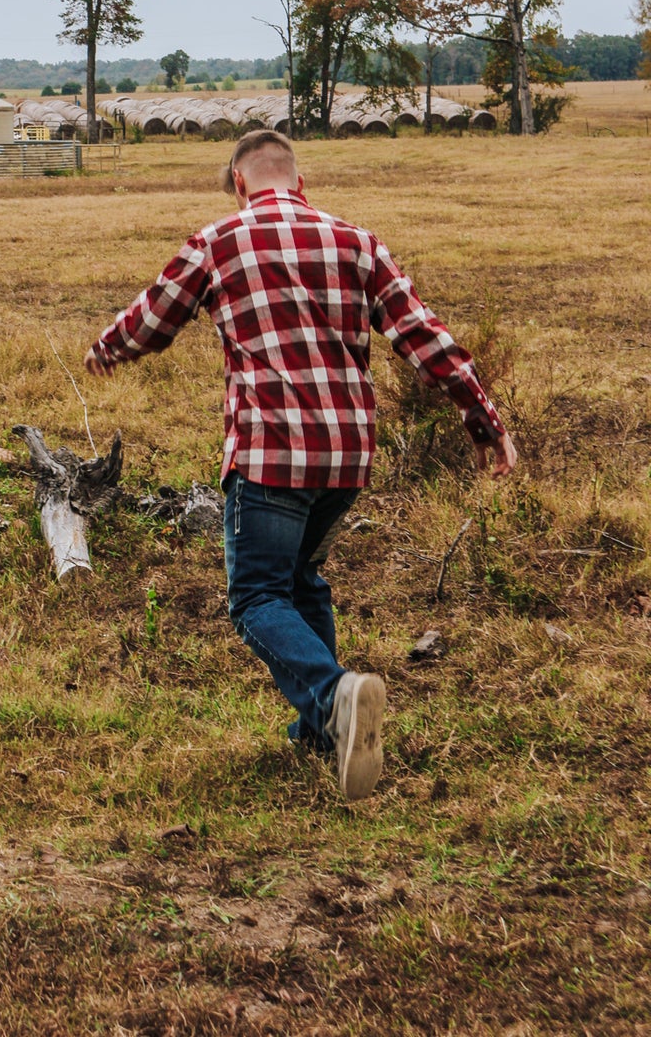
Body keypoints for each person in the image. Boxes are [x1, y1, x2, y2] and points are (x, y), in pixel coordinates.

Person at [84, 129, 515, 802]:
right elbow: (422, 337)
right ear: (300, 182)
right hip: (346, 458)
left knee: (256, 596)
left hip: (270, 452)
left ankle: (334, 695)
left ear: (239, 183)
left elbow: (152, 322)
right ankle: (322, 732)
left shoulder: (217, 241)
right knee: (302, 579)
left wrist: (107, 349)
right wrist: (481, 415)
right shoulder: (357, 242)